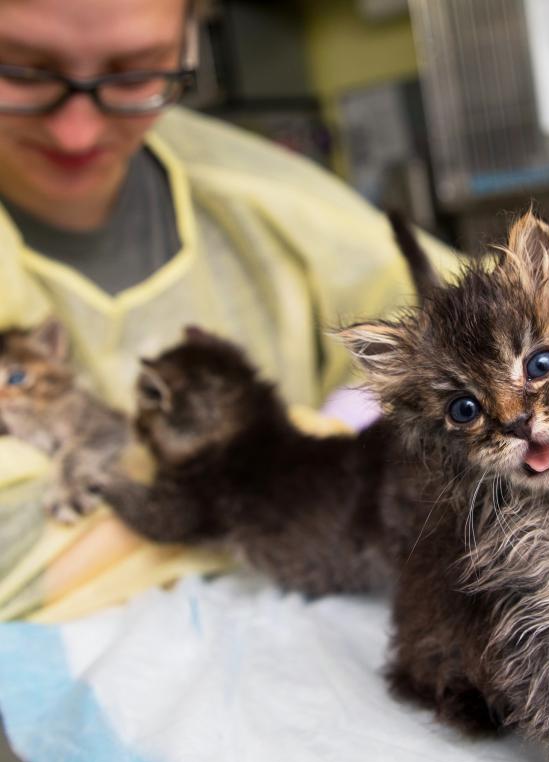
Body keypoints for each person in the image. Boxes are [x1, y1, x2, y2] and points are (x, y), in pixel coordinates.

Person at [0, 0, 455, 533]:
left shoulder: (268, 199)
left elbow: (474, 331)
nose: (75, 132)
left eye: (137, 74)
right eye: (20, 70)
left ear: (190, 42)